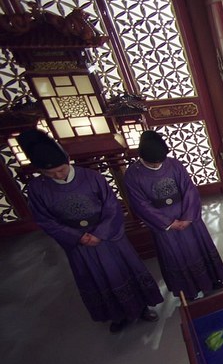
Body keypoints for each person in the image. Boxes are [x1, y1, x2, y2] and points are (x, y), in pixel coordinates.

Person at [20, 129, 163, 334]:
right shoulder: (37, 188)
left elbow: (112, 206)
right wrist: (78, 236)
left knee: (124, 270)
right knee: (96, 278)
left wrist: (100, 232)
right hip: (79, 243)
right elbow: (45, 220)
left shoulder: (92, 177)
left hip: (108, 237)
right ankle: (117, 315)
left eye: (61, 169)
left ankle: (142, 308)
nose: (58, 175)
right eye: (50, 174)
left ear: (67, 160)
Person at [124, 130, 223, 301]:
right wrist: (168, 223)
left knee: (198, 248)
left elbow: (189, 189)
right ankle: (188, 290)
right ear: (142, 157)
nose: (157, 165)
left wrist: (188, 216)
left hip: (187, 215)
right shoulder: (132, 174)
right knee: (176, 255)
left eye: (160, 161)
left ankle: (212, 280)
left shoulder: (174, 164)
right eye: (152, 163)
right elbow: (140, 204)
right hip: (163, 223)